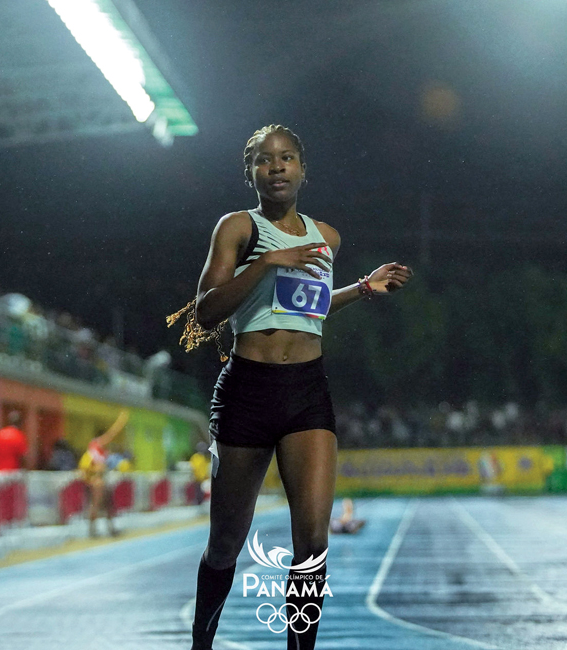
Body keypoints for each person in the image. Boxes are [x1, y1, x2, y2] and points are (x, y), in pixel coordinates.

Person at [168, 124, 412, 650]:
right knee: (226, 544)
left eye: (286, 158)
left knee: (313, 542)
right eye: (264, 160)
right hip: (247, 391)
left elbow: (309, 308)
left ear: (303, 168)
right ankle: (200, 644)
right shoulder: (237, 227)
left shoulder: (328, 237)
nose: (276, 167)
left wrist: (362, 288)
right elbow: (206, 311)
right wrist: (268, 263)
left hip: (306, 390)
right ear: (251, 171)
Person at [77, 410, 129, 537]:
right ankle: (92, 531)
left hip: (100, 481)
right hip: (96, 482)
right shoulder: (93, 450)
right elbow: (111, 434)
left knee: (108, 506)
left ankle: (110, 529)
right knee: (96, 505)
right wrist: (121, 421)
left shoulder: (101, 452)